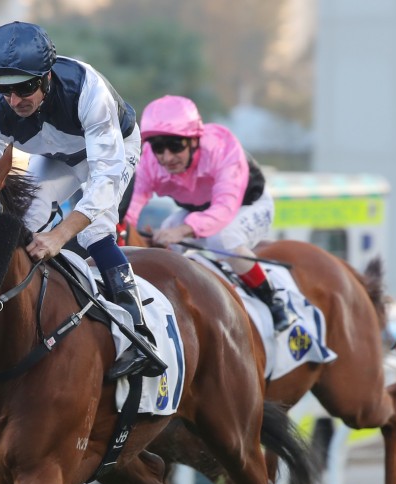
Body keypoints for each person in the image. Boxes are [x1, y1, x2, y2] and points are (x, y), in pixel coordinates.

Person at [0, 21, 164, 380]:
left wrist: (60, 236)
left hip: (109, 153)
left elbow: (104, 181)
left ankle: (138, 333)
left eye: (25, 87)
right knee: (21, 223)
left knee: (95, 230)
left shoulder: (88, 91)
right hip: (56, 157)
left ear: (46, 77)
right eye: (3, 89)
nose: (14, 101)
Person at [123, 95, 297, 332]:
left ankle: (274, 300)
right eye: (158, 147)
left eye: (175, 146)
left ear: (194, 140)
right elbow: (131, 209)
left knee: (223, 238)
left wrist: (182, 230)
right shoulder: (150, 161)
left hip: (247, 205)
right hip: (198, 210)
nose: (166, 157)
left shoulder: (222, 147)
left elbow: (224, 208)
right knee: (165, 238)